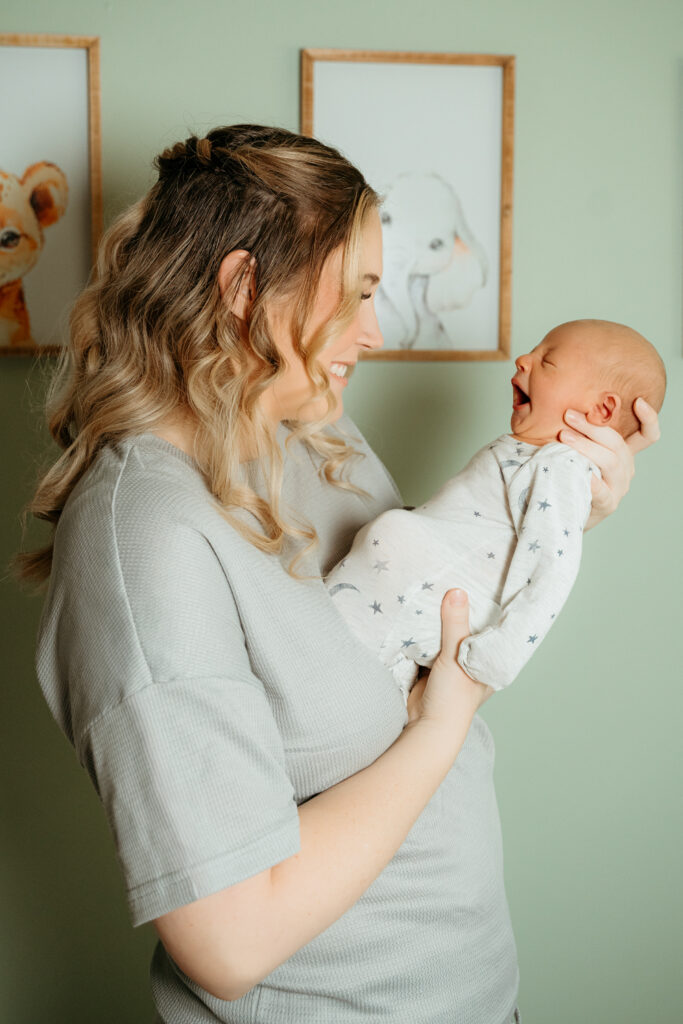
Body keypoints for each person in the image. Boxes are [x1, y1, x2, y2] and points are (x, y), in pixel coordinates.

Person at [18, 125, 660, 1024]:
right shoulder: (144, 541)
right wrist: (446, 723)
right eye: (357, 294)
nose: (375, 329)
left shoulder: (309, 426)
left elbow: (416, 633)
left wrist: (564, 499)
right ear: (244, 288)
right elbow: (229, 940)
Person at [324, 319, 666, 700]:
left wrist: (499, 655)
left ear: (601, 410)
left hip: (406, 605)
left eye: (547, 362)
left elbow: (553, 567)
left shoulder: (561, 465)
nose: (522, 359)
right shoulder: (534, 455)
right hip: (395, 603)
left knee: (332, 680)